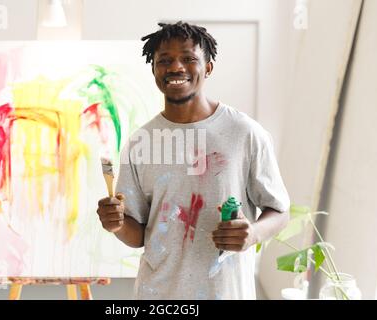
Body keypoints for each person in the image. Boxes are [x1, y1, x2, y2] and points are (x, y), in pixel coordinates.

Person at [96, 21, 290, 299]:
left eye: (188, 58)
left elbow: (279, 211)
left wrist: (253, 234)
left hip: (225, 292)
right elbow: (137, 236)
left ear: (208, 67)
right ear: (154, 69)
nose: (176, 67)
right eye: (165, 60)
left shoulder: (245, 133)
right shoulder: (140, 142)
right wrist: (115, 224)